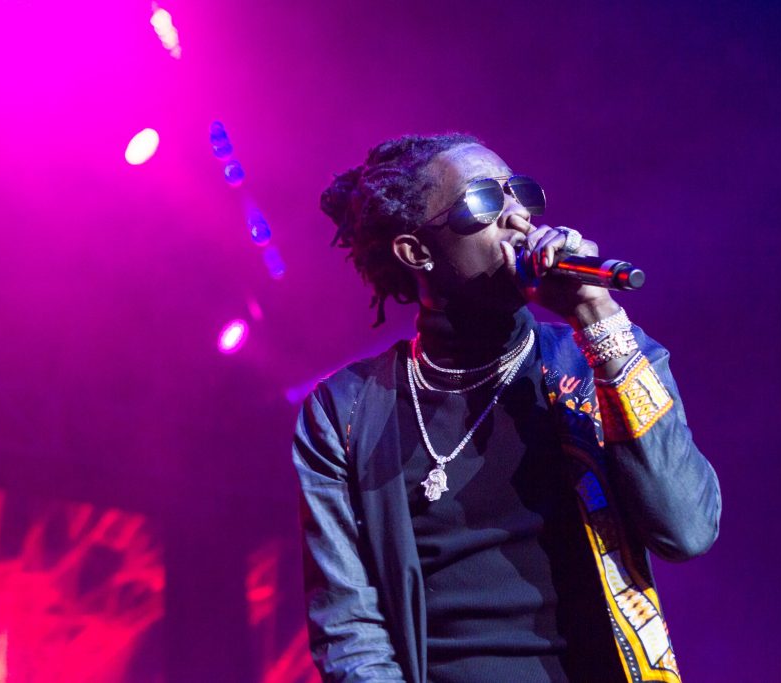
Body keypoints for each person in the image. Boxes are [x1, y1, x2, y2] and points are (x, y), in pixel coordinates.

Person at [292, 133, 721, 683]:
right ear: (417, 252)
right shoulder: (344, 412)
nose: (518, 217)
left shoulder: (602, 359)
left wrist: (596, 315)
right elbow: (349, 628)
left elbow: (686, 530)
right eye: (483, 201)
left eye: (519, 192)